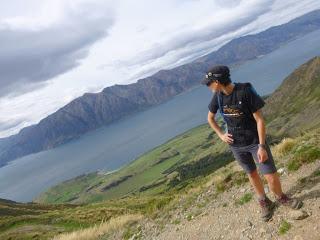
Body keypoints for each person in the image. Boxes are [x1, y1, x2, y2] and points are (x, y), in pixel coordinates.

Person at [201, 65, 303, 221]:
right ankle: (264, 201)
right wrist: (221, 135)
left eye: (209, 83)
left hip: (255, 142)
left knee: (270, 175)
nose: (207, 86)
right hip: (236, 145)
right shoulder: (218, 96)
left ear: (217, 81)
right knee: (252, 173)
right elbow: (210, 118)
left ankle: (281, 197)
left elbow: (260, 119)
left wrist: (261, 146)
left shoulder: (245, 91)